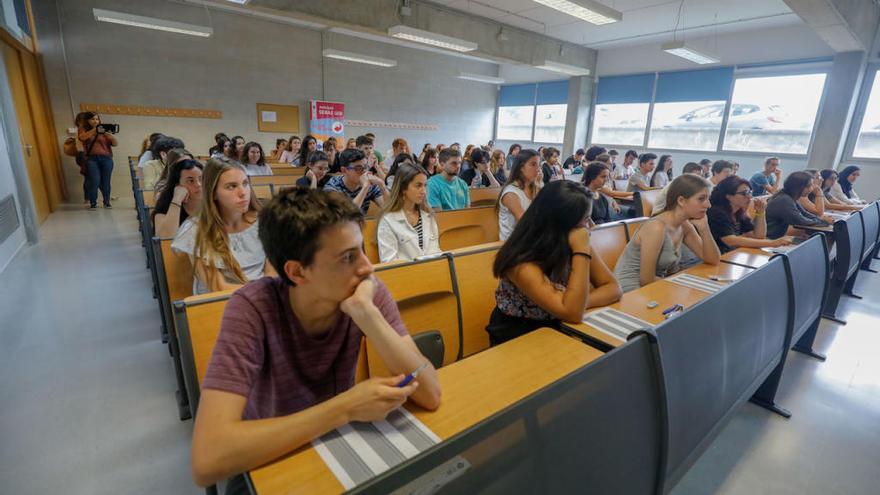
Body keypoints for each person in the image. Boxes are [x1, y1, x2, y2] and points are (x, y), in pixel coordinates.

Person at [190, 187, 441, 488]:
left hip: (339, 444)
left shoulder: (364, 291)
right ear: (297, 272)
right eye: (348, 257)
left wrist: (367, 314)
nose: (367, 266)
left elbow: (430, 394)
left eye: (362, 249)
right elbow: (208, 459)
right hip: (269, 459)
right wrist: (346, 407)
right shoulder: (251, 308)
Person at [487, 181, 622, 346]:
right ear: (562, 222)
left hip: (562, 327)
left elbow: (613, 288)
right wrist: (581, 251)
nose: (588, 226)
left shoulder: (573, 237)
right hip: (520, 335)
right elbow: (572, 312)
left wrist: (578, 302)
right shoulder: (520, 260)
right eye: (586, 219)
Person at [172, 158, 276, 295]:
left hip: (264, 297)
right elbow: (218, 286)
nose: (243, 192)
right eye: (231, 186)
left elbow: (271, 275)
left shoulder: (265, 220)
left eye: (245, 183)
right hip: (223, 303)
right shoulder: (196, 230)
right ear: (213, 193)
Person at [614, 175, 721, 292]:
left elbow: (713, 260)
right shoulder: (656, 227)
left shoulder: (684, 225)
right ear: (681, 201)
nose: (708, 205)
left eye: (708, 199)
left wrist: (704, 228)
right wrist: (681, 287)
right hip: (630, 290)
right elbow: (646, 280)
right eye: (701, 199)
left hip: (655, 286)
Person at [707, 176, 792, 253]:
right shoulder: (716, 213)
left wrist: (760, 212)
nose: (749, 197)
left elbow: (759, 236)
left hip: (733, 254)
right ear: (728, 196)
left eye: (749, 192)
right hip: (718, 256)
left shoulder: (739, 212)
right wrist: (773, 243)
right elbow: (730, 240)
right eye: (744, 193)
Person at [377, 164, 442, 263]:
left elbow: (435, 250)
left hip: (431, 272)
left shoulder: (428, 215)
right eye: (418, 185)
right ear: (403, 188)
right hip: (405, 275)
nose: (424, 191)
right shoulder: (388, 220)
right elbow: (389, 262)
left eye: (425, 185)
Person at [765, 171, 832, 239]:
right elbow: (801, 221)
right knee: (822, 236)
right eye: (808, 186)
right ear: (797, 186)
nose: (811, 189)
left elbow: (805, 214)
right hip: (769, 238)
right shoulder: (784, 200)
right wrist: (824, 221)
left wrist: (820, 220)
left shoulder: (790, 196)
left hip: (776, 236)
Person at [323, 148, 389, 215]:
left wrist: (382, 185)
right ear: (344, 170)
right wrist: (364, 188)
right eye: (358, 168)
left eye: (366, 167)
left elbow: (388, 208)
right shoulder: (332, 186)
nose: (364, 172)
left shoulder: (370, 185)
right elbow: (346, 216)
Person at [152, 158, 203, 238]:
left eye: (201, 179)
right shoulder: (166, 206)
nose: (198, 184)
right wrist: (177, 199)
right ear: (177, 185)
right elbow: (164, 238)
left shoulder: (214, 204)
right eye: (191, 181)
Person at [497, 149, 541, 240]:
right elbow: (526, 223)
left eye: (538, 165)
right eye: (533, 164)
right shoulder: (511, 193)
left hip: (528, 240)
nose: (538, 169)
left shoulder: (534, 188)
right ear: (521, 167)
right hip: (512, 244)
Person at [77, 112, 118, 210]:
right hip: (92, 159)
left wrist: (109, 135)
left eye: (97, 119)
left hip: (106, 159)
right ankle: (93, 203)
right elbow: (82, 137)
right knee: (94, 181)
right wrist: (95, 130)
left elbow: (115, 143)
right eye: (92, 119)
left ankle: (107, 202)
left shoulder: (104, 130)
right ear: (87, 121)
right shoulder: (84, 130)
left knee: (106, 182)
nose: (95, 121)